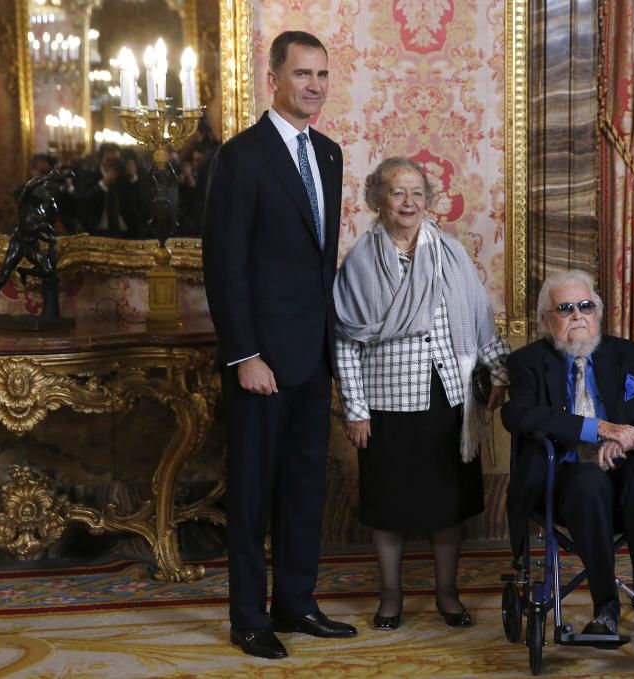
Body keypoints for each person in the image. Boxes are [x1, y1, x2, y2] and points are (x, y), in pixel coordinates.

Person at [202, 30, 355, 660]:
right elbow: (224, 263)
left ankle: (296, 602)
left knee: (303, 487)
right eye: (302, 74)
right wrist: (244, 354)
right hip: (261, 358)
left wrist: (333, 351)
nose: (314, 85)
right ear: (275, 78)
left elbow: (319, 268)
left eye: (321, 74)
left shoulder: (329, 153)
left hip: (313, 354)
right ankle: (248, 616)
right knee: (253, 490)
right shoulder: (241, 156)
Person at [334, 157, 509, 631]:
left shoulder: (451, 253)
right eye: (397, 192)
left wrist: (498, 374)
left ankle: (446, 594)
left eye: (417, 193)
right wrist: (355, 409)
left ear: (429, 201)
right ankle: (390, 595)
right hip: (387, 402)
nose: (408, 202)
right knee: (387, 503)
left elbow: (480, 319)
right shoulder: (360, 262)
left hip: (448, 397)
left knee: (447, 504)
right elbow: (345, 342)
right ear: (377, 200)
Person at [502, 270, 634, 640]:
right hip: (566, 486)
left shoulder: (628, 355)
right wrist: (599, 429)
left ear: (598, 314)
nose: (577, 316)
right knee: (587, 481)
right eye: (564, 308)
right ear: (545, 321)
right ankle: (605, 607)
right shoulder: (528, 362)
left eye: (585, 306)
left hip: (629, 484)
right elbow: (518, 414)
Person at [77, 143, 146, 237]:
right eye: (109, 161)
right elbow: (83, 203)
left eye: (116, 161)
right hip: (97, 233)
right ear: (100, 160)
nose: (113, 165)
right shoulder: (90, 176)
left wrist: (133, 178)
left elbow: (142, 205)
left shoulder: (126, 179)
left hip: (126, 233)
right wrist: (103, 184)